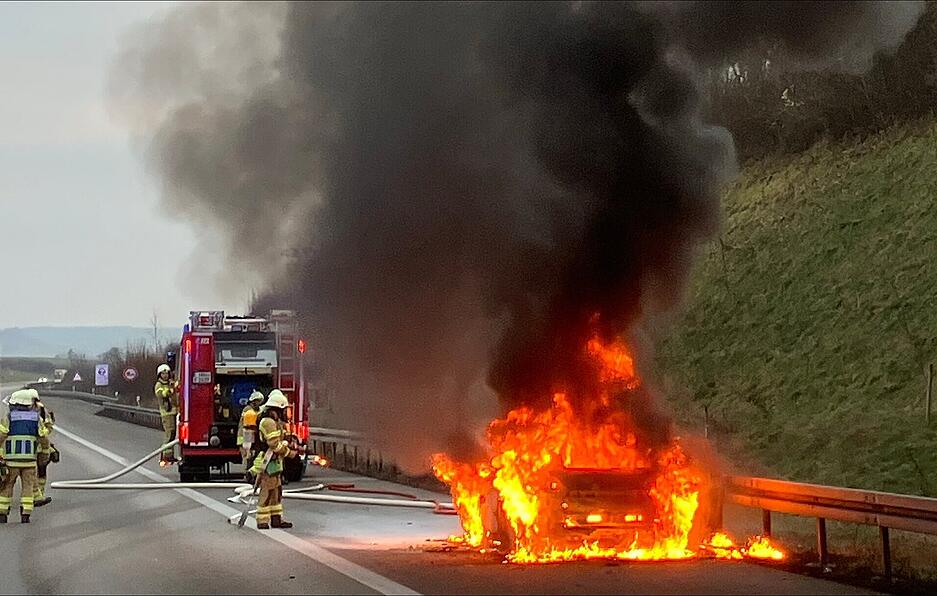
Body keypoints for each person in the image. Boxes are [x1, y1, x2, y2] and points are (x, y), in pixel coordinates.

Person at [249, 389, 299, 529]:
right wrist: (290, 453)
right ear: (278, 408)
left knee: (276, 492)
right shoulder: (268, 422)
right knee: (266, 491)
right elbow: (273, 444)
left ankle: (276, 519)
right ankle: (262, 521)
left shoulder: (274, 421)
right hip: (267, 461)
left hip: (275, 462)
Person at [0, 389, 50, 523]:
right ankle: (26, 513)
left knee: (7, 485)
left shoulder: (9, 417)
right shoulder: (36, 418)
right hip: (29, 461)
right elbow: (43, 437)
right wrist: (45, 451)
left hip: (11, 461)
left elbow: (2, 434)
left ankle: (3, 512)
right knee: (28, 486)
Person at [32, 390, 56, 508]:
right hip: (37, 447)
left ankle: (38, 493)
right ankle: (37, 494)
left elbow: (48, 426)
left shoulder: (16, 412)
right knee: (35, 471)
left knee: (37, 470)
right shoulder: (40, 409)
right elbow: (48, 427)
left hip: (36, 447)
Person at [155, 364, 178, 467]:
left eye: (166, 373)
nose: (165, 375)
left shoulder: (170, 383)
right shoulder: (159, 385)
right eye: (163, 373)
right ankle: (165, 455)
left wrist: (174, 385)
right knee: (169, 434)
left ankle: (170, 455)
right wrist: (170, 390)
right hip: (167, 413)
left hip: (174, 412)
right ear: (159, 374)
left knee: (173, 434)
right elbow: (161, 394)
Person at [237, 391, 265, 480]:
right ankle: (248, 476)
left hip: (248, 438)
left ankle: (251, 475)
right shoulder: (249, 411)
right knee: (248, 457)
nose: (260, 403)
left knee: (251, 457)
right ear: (254, 401)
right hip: (246, 438)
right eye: (259, 401)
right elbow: (252, 423)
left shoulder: (250, 409)